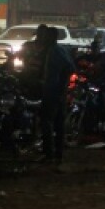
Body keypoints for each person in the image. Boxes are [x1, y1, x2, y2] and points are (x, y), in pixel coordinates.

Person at [40, 29, 76, 164]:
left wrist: (61, 84)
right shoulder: (52, 50)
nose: (42, 38)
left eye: (45, 36)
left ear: (51, 37)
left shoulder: (57, 51)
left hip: (54, 91)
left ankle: (51, 152)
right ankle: (56, 153)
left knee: (49, 121)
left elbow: (70, 67)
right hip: (54, 90)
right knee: (56, 121)